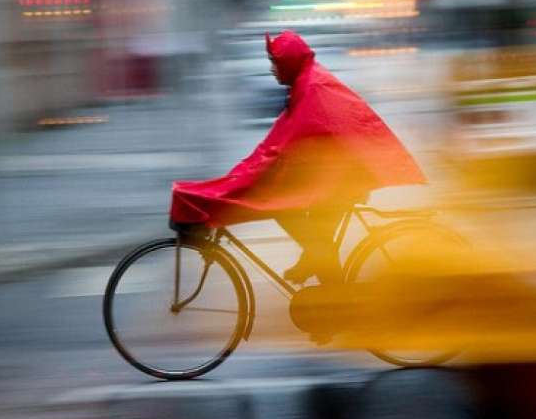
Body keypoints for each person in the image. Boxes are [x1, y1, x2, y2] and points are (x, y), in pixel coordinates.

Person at [171, 30, 426, 284]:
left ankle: (337, 300)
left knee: (287, 208)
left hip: (346, 176)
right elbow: (279, 141)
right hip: (342, 171)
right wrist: (242, 174)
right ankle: (326, 287)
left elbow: (285, 144)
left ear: (290, 62)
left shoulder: (311, 87)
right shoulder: (304, 83)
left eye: (276, 63)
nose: (272, 69)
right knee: (315, 234)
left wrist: (244, 178)